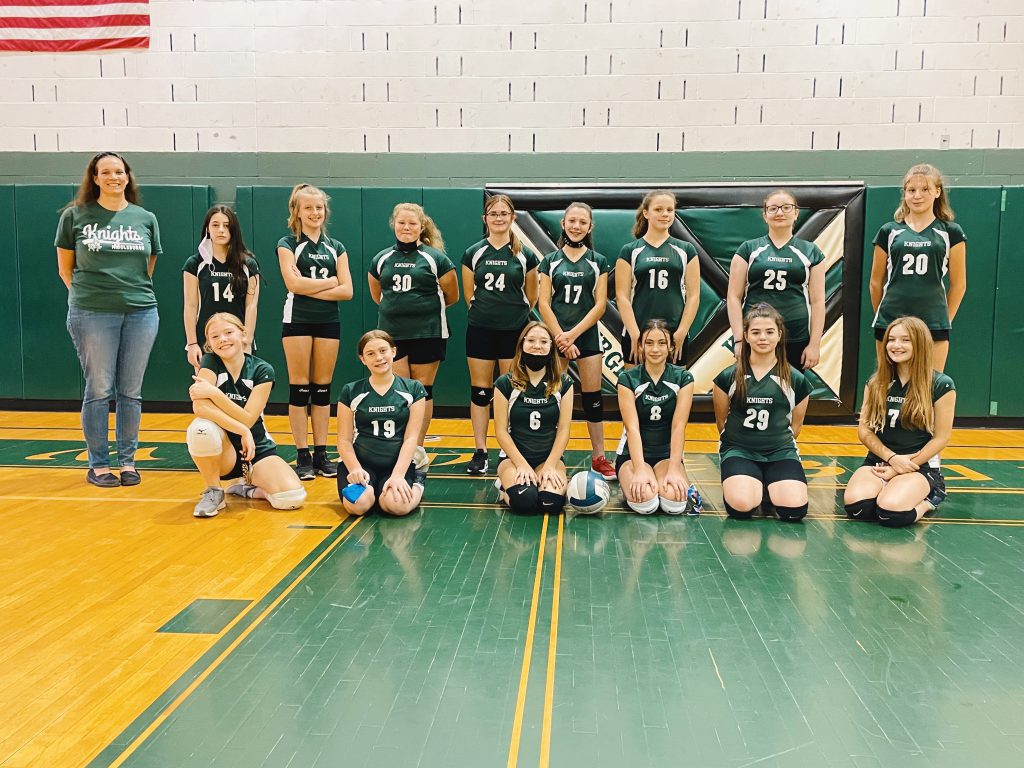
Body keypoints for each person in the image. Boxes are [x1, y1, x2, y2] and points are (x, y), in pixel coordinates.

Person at [56, 151, 161, 488]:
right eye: (106, 172)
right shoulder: (75, 216)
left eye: (120, 171)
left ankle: (128, 461)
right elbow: (65, 268)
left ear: (127, 177)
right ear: (95, 178)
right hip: (92, 312)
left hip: (141, 311)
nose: (114, 177)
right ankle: (99, 465)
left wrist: (127, 293)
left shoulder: (145, 218)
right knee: (100, 389)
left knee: (131, 391)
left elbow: (148, 267)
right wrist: (89, 298)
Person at [185, 313, 306, 518]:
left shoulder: (262, 370)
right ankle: (214, 491)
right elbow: (200, 407)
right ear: (209, 344)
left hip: (256, 447)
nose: (222, 339)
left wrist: (215, 393)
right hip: (224, 451)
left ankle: (249, 488)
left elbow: (249, 418)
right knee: (201, 429)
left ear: (243, 335)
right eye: (214, 337)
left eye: (228, 332)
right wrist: (241, 430)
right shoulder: (210, 362)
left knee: (292, 497)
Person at [368, 203, 459, 468]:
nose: (406, 228)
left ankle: (417, 448)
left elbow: (451, 296)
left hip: (428, 332)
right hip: (392, 335)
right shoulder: (381, 258)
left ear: (421, 226)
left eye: (412, 224)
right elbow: (378, 295)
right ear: (393, 225)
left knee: (421, 391)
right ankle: (399, 445)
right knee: (399, 392)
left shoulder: (435, 258)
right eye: (401, 223)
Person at [843, 316, 955, 527]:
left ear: (920, 343)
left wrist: (901, 467)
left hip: (919, 466)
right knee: (858, 509)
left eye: (905, 340)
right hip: (879, 461)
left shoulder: (941, 384)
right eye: (891, 339)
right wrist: (892, 458)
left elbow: (942, 437)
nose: (896, 345)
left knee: (891, 514)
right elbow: (865, 432)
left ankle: (931, 499)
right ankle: (891, 488)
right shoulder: (876, 382)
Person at [277, 183, 353, 480]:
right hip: (297, 318)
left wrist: (311, 287)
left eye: (319, 207)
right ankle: (302, 454)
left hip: (327, 321)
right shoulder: (287, 243)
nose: (314, 212)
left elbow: (347, 291)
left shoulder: (337, 247)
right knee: (299, 387)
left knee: (322, 388)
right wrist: (329, 282)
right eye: (307, 207)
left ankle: (322, 452)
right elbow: (292, 285)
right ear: (296, 211)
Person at [461, 194, 540, 475]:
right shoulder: (474, 252)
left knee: (511, 391)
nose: (498, 218)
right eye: (493, 213)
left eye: (503, 213)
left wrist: (512, 315)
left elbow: (532, 296)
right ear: (486, 219)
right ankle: (480, 450)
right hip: (481, 329)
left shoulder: (525, 254)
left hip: (514, 331)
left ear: (512, 218)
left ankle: (510, 451)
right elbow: (468, 294)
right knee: (481, 392)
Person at [537, 202, 615, 480]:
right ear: (563, 223)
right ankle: (548, 454)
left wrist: (572, 335)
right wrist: (561, 337)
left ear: (590, 227)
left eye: (583, 222)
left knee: (593, 398)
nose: (577, 226)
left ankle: (599, 456)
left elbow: (600, 305)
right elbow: (543, 303)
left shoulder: (599, 261)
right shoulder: (550, 260)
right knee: (551, 396)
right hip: (555, 337)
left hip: (585, 335)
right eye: (572, 221)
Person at [713, 303, 810, 522]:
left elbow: (796, 426)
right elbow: (722, 423)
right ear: (745, 336)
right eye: (755, 332)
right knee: (742, 507)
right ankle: (750, 481)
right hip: (739, 449)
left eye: (769, 332)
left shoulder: (796, 379)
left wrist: (775, 442)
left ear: (779, 335)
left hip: (780, 451)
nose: (762, 338)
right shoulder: (727, 377)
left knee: (794, 511)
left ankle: (768, 483)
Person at [870, 163, 966, 372]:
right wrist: (882, 314)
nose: (917, 196)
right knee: (888, 385)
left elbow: (959, 285)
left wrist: (945, 318)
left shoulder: (951, 232)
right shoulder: (889, 231)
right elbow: (875, 282)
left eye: (925, 189)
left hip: (933, 319)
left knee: (931, 386)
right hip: (891, 317)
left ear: (937, 192)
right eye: (911, 190)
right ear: (904, 193)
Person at [727, 190, 826, 370]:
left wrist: (814, 344)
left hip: (796, 334)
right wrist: (739, 338)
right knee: (752, 390)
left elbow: (818, 302)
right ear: (765, 215)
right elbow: (733, 296)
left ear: (796, 213)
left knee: (791, 391)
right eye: (773, 208)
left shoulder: (811, 251)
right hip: (756, 335)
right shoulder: (748, 249)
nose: (780, 213)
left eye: (786, 207)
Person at [336, 330, 428, 517]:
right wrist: (354, 469)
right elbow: (344, 440)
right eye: (371, 354)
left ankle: (418, 482)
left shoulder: (413, 389)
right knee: (359, 505)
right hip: (361, 465)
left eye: (383, 350)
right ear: (363, 359)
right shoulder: (351, 391)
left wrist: (398, 475)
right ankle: (372, 491)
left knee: (397, 506)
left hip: (396, 464)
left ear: (393, 352)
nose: (379, 358)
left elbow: (411, 437)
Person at [616, 320, 701, 515]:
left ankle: (663, 478)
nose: (655, 349)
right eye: (649, 343)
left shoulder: (683, 378)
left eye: (662, 343)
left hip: (666, 455)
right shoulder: (627, 379)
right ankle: (637, 477)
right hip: (632, 456)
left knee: (674, 503)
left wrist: (674, 468)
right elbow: (632, 428)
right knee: (645, 501)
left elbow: (679, 427)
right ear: (640, 346)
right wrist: (639, 469)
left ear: (671, 346)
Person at [493, 322, 574, 515]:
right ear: (521, 345)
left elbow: (564, 430)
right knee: (525, 501)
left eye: (544, 341)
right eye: (531, 340)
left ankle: (540, 482)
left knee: (550, 504)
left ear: (551, 348)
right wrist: (521, 464)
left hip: (549, 458)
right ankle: (504, 486)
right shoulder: (505, 383)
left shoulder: (563, 383)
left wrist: (549, 466)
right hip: (514, 459)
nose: (537, 345)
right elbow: (501, 431)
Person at [615, 189, 699, 365]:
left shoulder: (686, 249)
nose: (665, 214)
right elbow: (622, 296)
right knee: (633, 387)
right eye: (658, 209)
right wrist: (634, 333)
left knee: (674, 388)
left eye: (670, 210)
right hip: (637, 332)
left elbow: (693, 295)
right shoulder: (630, 250)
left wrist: (682, 331)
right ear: (646, 213)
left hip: (674, 332)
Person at [183, 204, 260, 370]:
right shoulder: (194, 264)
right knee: (205, 391)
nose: (221, 230)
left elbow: (251, 305)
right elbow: (190, 306)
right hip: (207, 339)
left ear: (234, 230)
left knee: (239, 392)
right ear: (207, 229)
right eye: (215, 225)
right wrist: (192, 343)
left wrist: (247, 340)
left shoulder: (248, 264)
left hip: (237, 339)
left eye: (226, 225)